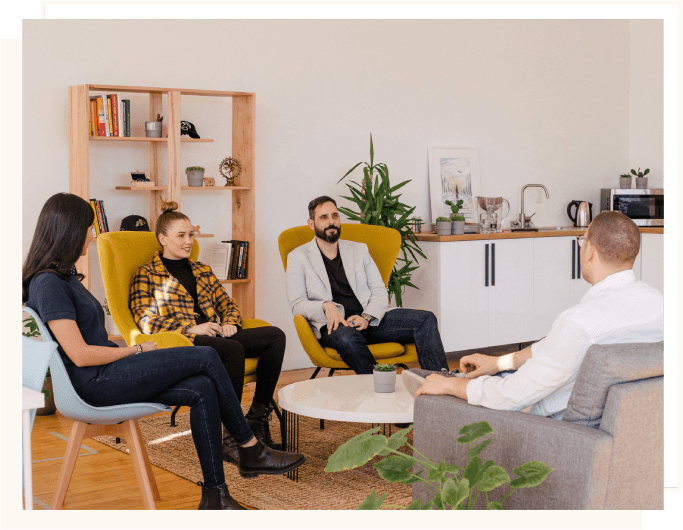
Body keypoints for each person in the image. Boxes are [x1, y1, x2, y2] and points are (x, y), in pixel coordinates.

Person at [23, 193, 305, 510]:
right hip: (95, 383)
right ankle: (249, 447)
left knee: (202, 387)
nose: (92, 234)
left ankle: (216, 496)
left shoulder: (65, 278)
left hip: (107, 374)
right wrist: (134, 350)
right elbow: (81, 356)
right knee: (210, 355)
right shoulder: (48, 284)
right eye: (89, 227)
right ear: (68, 230)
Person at [410, 211, 664, 419]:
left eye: (582, 241)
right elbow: (557, 349)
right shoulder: (662, 307)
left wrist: (452, 387)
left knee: (444, 383)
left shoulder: (580, 323)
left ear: (589, 251)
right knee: (479, 375)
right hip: (626, 424)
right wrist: (500, 363)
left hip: (550, 426)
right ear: (635, 254)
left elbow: (512, 396)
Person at [130, 201, 286, 461]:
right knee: (232, 350)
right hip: (184, 340)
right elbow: (145, 321)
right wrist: (191, 327)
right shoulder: (146, 274)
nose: (189, 241)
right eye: (181, 235)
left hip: (217, 334)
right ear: (163, 239)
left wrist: (231, 323)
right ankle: (230, 433)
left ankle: (256, 418)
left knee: (274, 336)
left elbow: (228, 304)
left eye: (191, 234)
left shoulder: (202, 270)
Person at [285, 195, 450, 374]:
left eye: (335, 216)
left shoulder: (359, 250)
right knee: (348, 339)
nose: (331, 222)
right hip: (334, 326)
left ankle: (439, 384)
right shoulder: (298, 257)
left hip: (369, 321)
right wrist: (325, 306)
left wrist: (367, 317)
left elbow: (379, 290)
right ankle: (380, 388)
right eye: (323, 217)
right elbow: (297, 304)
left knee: (426, 319)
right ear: (311, 224)